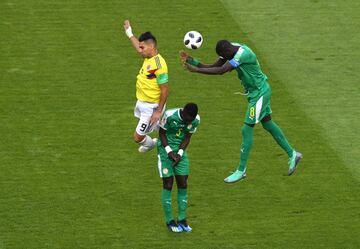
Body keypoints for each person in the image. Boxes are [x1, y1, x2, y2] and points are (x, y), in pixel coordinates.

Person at [180, 40, 302, 183]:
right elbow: (216, 66)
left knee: (246, 128)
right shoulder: (231, 48)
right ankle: (293, 154)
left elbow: (221, 71)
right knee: (268, 124)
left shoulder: (242, 55)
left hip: (259, 93)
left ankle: (241, 170)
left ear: (226, 52)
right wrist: (193, 61)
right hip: (255, 93)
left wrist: (197, 70)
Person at [123, 20, 169, 152]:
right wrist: (129, 32)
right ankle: (164, 127)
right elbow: (138, 47)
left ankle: (151, 145)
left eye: (142, 47)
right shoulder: (148, 57)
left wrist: (158, 111)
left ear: (152, 47)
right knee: (157, 126)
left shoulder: (160, 65)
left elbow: (165, 89)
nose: (140, 50)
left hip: (151, 107)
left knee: (138, 137)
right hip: (142, 102)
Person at [157, 103, 200, 232]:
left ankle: (182, 219)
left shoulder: (196, 120)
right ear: (183, 112)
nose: (188, 122)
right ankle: (170, 220)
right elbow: (162, 134)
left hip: (180, 152)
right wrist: (170, 152)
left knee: (183, 183)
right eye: (187, 119)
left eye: (190, 120)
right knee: (168, 184)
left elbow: (187, 137)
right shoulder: (169, 115)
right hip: (165, 151)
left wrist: (180, 153)